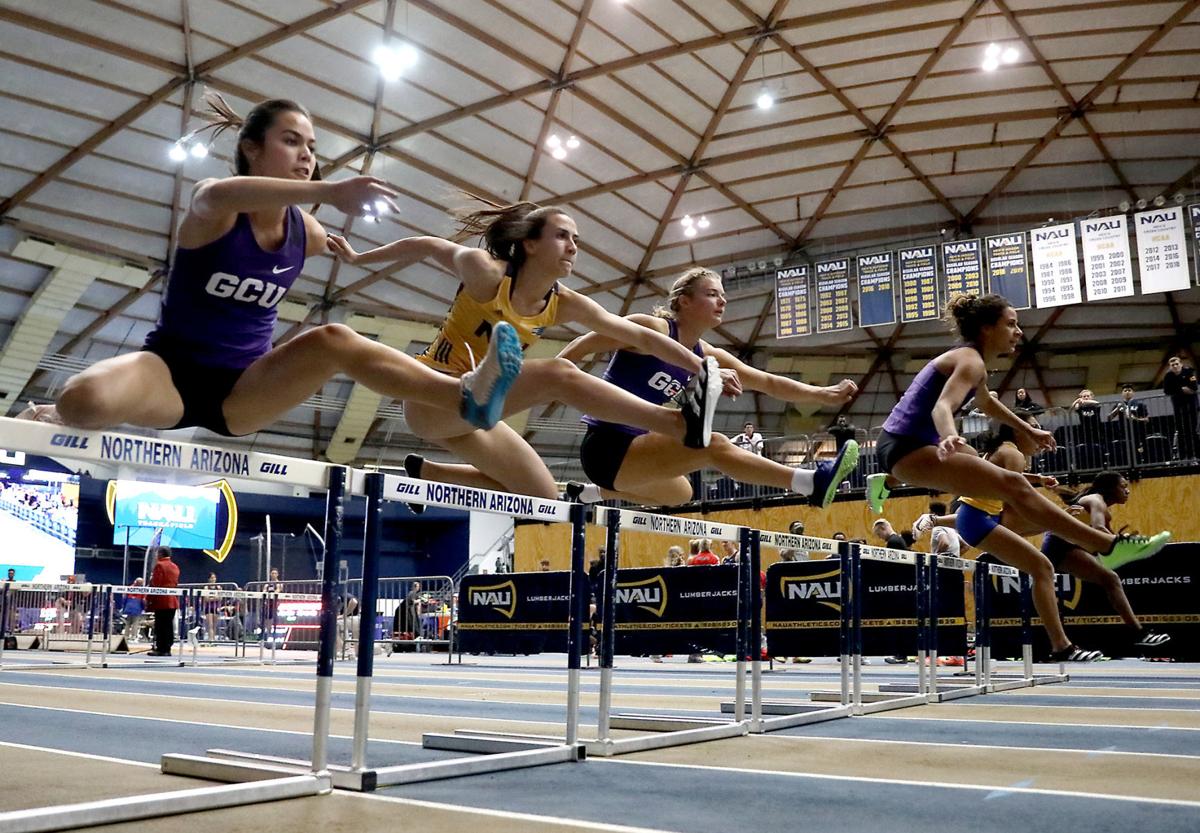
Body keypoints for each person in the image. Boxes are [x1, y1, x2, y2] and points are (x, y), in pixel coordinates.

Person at [18, 93, 522, 441]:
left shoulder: (308, 233)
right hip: (169, 373)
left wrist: (356, 256)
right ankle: (56, 413)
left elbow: (337, 245)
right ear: (251, 148)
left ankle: (465, 395)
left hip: (247, 390)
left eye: (312, 148)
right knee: (83, 400)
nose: (306, 155)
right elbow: (216, 193)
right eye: (291, 141)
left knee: (335, 338)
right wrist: (331, 190)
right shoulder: (216, 209)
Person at [326, 204, 721, 502]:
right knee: (557, 373)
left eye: (576, 240)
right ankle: (675, 423)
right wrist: (359, 257)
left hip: (477, 414)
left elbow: (643, 338)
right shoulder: (485, 272)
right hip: (431, 399)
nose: (573, 247)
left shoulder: (564, 302)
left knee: (544, 499)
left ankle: (429, 474)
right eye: (562, 236)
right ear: (529, 244)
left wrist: (700, 365)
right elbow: (426, 245)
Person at [865, 293, 1169, 572]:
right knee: (1014, 484)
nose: (1019, 332)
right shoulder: (970, 361)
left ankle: (885, 482)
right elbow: (942, 406)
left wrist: (1027, 430)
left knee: (983, 464)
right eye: (1010, 324)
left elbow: (986, 403)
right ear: (987, 328)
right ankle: (1106, 545)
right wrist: (948, 435)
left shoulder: (972, 361)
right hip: (906, 447)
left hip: (906, 444)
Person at [557, 268, 859, 507]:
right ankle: (810, 482)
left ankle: (590, 493)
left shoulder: (707, 354)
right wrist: (552, 376)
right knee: (713, 445)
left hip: (632, 451)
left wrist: (823, 394)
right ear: (684, 301)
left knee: (680, 494)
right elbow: (586, 342)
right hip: (606, 446)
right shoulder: (652, 328)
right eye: (712, 294)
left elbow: (767, 382)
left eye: (723, 295)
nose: (722, 301)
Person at [917, 424, 1100, 661]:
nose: (1039, 434)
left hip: (978, 516)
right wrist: (1055, 515)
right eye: (1034, 427)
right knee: (1043, 567)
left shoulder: (1001, 451)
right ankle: (1062, 646)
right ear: (1018, 431)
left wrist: (1038, 479)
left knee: (1047, 546)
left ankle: (936, 520)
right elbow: (1018, 498)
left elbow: (1008, 479)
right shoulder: (1013, 453)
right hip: (980, 519)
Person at [1042, 473, 1170, 652]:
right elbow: (1099, 529)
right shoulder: (1096, 500)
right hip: (1058, 544)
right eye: (1123, 486)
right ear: (1110, 488)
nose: (1127, 491)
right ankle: (1138, 633)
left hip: (1069, 545)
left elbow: (1105, 543)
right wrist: (1124, 543)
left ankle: (1139, 634)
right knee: (1110, 579)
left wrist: (1119, 540)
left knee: (1110, 579)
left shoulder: (1104, 510)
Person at [1163, 355, 1199, 460]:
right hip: (1178, 406)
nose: (1175, 366)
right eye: (1172, 365)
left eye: (1177, 364)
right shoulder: (1168, 376)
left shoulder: (1189, 372)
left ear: (1181, 364)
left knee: (1193, 430)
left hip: (1191, 405)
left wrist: (1176, 389)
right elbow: (1167, 390)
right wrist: (1182, 389)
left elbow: (1194, 388)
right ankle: (1183, 457)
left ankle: (1195, 455)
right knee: (1181, 431)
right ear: (1170, 367)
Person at [147, 546, 180, 657]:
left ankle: (161, 648)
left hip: (161, 600)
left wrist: (149, 599)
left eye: (157, 553)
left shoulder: (159, 565)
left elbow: (156, 583)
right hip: (172, 599)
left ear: (160, 554)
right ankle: (167, 648)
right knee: (168, 626)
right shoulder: (175, 566)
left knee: (160, 625)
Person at [1107, 384, 1150, 459]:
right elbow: (1109, 418)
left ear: (1133, 392)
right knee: (1126, 454)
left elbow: (1146, 420)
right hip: (1123, 434)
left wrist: (1134, 418)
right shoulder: (1119, 405)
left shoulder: (1139, 404)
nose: (1127, 392)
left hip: (1137, 433)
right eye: (1125, 390)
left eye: (1129, 390)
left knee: (1138, 454)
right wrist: (1117, 409)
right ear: (1122, 393)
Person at [1070, 388, 1103, 464]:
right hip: (1085, 430)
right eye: (1084, 396)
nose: (1086, 397)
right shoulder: (1081, 408)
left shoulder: (1095, 405)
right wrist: (1077, 401)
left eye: (1088, 396)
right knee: (1087, 447)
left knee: (1098, 446)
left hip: (1096, 429)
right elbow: (1072, 408)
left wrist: (1084, 401)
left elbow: (1097, 403)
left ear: (1092, 397)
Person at [120, 577, 146, 644]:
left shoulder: (129, 588)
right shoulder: (142, 590)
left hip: (129, 607)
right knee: (135, 623)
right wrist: (144, 608)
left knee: (128, 623)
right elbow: (143, 601)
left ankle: (126, 636)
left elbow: (124, 598)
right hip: (137, 608)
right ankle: (133, 637)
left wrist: (124, 607)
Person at [201, 572, 221, 641]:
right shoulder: (206, 587)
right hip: (208, 608)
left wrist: (211, 597)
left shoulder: (218, 587)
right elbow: (206, 599)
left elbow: (220, 598)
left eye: (214, 577)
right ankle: (210, 639)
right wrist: (215, 597)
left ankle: (213, 639)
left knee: (215, 625)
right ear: (209, 579)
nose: (213, 579)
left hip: (216, 608)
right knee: (210, 625)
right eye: (212, 578)